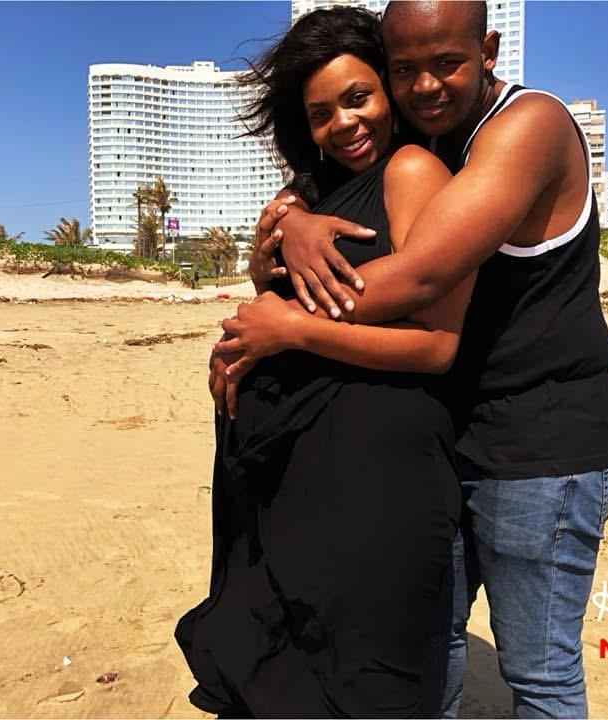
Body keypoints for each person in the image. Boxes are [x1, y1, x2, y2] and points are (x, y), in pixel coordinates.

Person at [215, 2, 608, 718]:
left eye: (447, 63)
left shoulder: (527, 125)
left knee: (539, 673)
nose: (426, 85)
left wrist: (285, 317)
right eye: (405, 70)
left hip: (544, 443)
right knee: (428, 643)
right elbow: (345, 176)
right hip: (456, 435)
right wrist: (297, 220)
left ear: (488, 49)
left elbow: (420, 278)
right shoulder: (434, 137)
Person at [175, 7, 476, 717]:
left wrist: (291, 333)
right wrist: (261, 290)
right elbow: (299, 303)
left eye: (357, 97)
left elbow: (436, 344)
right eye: (320, 114)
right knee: (289, 664)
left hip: (372, 484)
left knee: (364, 678)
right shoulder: (311, 196)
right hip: (289, 481)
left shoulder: (411, 171)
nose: (343, 123)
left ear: (389, 92)